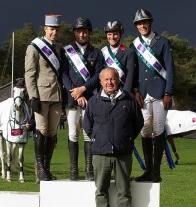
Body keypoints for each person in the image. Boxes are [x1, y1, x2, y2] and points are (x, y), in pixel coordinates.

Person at [83, 67, 144, 207]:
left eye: (112, 79)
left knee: (124, 189)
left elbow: (139, 123)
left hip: (123, 153)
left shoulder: (129, 99)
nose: (109, 82)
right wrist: (97, 138)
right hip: (100, 153)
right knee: (101, 190)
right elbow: (87, 124)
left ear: (118, 80)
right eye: (106, 80)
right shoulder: (94, 101)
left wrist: (127, 138)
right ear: (101, 82)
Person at [130, 8, 175, 183]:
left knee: (158, 130)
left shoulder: (162, 42)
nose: (142, 25)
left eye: (145, 22)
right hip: (143, 93)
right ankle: (148, 170)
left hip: (160, 92)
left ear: (150, 23)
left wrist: (168, 92)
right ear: (136, 26)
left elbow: (170, 69)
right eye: (139, 23)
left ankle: (156, 172)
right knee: (145, 130)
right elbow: (133, 71)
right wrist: (135, 90)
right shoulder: (135, 45)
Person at [62, 17, 103, 181]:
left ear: (89, 33)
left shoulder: (96, 52)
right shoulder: (67, 51)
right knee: (72, 133)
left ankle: (89, 169)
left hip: (90, 99)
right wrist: (75, 93)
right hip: (72, 100)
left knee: (88, 134)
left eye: (85, 31)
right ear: (75, 33)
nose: (82, 34)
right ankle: (73, 169)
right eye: (79, 31)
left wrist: (83, 90)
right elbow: (63, 74)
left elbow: (98, 75)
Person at [25, 14, 64, 181]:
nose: (54, 32)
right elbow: (30, 73)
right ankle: (40, 168)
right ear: (45, 29)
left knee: (51, 133)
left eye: (56, 29)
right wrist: (33, 96)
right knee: (41, 131)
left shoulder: (60, 48)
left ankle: (47, 168)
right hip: (41, 96)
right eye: (51, 29)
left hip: (57, 95)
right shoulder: (35, 47)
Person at [102, 20, 136, 92]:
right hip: (105, 92)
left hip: (122, 92)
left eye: (115, 34)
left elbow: (130, 76)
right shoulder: (102, 52)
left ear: (120, 34)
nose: (112, 37)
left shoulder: (129, 52)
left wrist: (126, 93)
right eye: (109, 34)